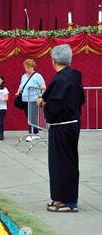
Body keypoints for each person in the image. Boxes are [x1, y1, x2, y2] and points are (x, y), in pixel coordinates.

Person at [37, 45, 85, 213]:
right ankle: (61, 197)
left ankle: (69, 201)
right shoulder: (74, 76)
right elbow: (80, 100)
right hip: (71, 125)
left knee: (62, 164)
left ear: (54, 60)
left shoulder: (60, 79)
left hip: (62, 127)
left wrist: (43, 103)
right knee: (66, 163)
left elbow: (54, 107)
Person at [15, 59, 46, 142]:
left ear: (33, 67)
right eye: (25, 67)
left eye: (28, 68)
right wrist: (18, 92)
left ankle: (32, 133)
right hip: (25, 100)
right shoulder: (24, 76)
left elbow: (43, 87)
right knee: (29, 117)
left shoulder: (38, 76)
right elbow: (21, 85)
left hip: (34, 100)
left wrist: (42, 98)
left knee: (32, 117)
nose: (26, 69)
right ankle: (35, 132)